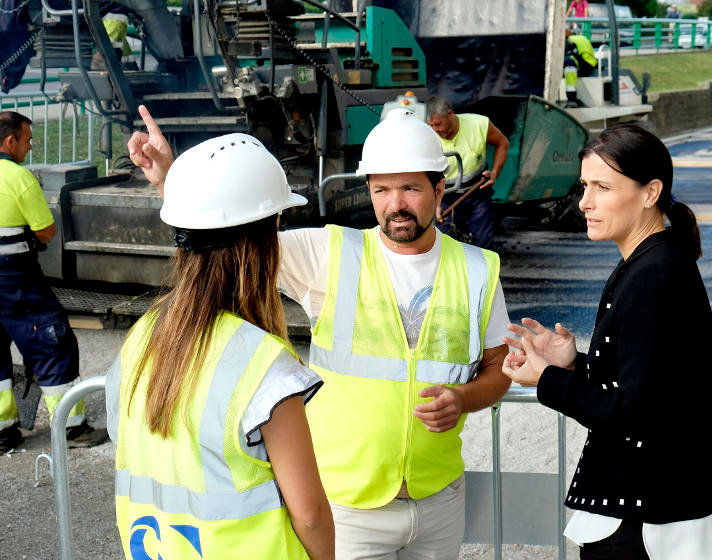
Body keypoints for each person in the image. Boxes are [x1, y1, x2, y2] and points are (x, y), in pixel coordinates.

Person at [128, 105, 512, 560]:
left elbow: (498, 366)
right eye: (382, 189)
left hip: (439, 498)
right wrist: (172, 180)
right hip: (348, 506)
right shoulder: (330, 253)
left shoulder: (478, 269)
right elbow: (232, 239)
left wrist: (465, 399)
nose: (396, 204)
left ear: (439, 188)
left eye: (410, 187)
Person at [501, 124, 712, 559]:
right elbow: (651, 382)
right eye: (584, 186)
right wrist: (575, 364)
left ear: (650, 192)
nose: (584, 202)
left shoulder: (656, 273)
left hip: (646, 521)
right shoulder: (653, 261)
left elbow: (636, 413)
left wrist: (548, 380)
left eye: (602, 187)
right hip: (650, 510)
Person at [105, 133, 333, 559]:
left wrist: (173, 185)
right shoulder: (264, 367)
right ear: (268, 242)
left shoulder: (142, 338)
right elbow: (311, 516)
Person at [0, 111, 107, 453]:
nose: (31, 146)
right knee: (51, 342)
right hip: (15, 280)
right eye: (28, 139)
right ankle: (71, 427)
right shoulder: (18, 178)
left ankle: (3, 430)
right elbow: (46, 231)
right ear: (9, 141)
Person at [425, 95, 509, 250]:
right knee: (443, 246)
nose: (435, 129)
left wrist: (495, 172)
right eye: (431, 125)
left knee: (482, 244)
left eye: (438, 124)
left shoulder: (479, 124)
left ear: (450, 114)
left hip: (477, 192)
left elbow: (502, 143)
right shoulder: (426, 137)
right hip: (446, 198)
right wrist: (434, 203)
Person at [563, 28, 598, 108]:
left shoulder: (568, 42)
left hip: (582, 67)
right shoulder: (582, 38)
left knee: (568, 63)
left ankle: (571, 98)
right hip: (591, 65)